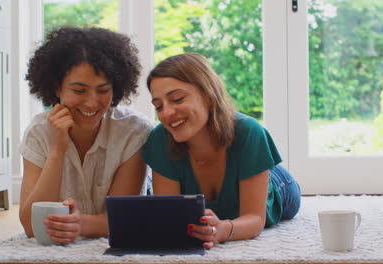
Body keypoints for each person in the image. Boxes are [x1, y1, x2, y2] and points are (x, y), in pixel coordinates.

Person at [142, 53, 301, 248]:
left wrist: (223, 230)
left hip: (278, 185)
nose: (166, 113)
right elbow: (170, 217)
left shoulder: (249, 132)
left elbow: (255, 219)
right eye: (158, 106)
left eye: (177, 99)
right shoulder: (161, 138)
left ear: (207, 95)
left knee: (288, 207)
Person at [19, 27, 154, 244]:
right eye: (79, 91)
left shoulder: (134, 132)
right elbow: (30, 226)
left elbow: (124, 218)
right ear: (57, 88)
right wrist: (57, 150)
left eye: (102, 91)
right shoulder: (38, 133)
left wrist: (80, 224)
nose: (92, 102)